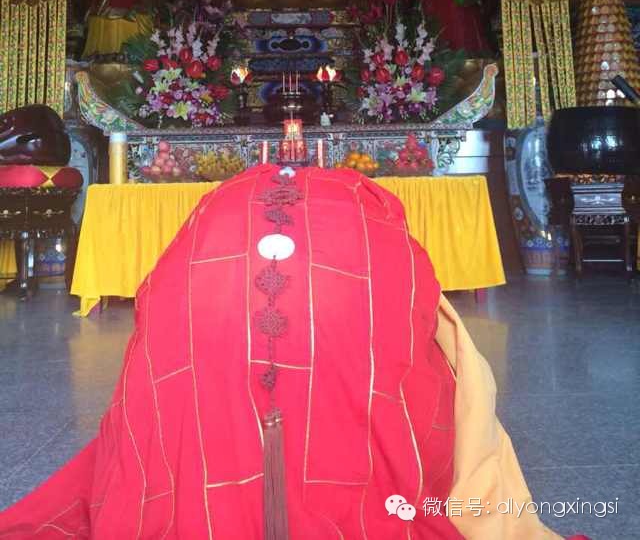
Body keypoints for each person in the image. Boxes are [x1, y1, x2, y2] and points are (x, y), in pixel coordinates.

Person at [0, 165, 592, 539]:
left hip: (201, 317)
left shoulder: (213, 223)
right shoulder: (368, 220)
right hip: (342, 316)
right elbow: (424, 310)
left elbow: (158, 311)